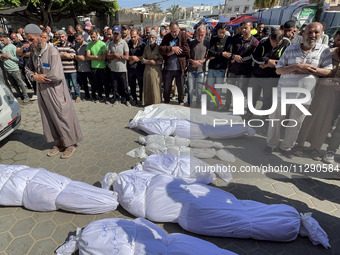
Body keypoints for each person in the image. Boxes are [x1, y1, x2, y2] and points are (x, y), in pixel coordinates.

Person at [264, 22, 332, 157]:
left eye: (316, 33)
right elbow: (279, 70)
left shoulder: (324, 50)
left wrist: (312, 70)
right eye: (310, 32)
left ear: (321, 34)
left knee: (296, 123)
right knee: (276, 119)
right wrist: (295, 67)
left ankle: (286, 147)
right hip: (284, 93)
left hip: (305, 95)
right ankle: (271, 144)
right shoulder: (290, 49)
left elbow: (328, 71)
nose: (313, 35)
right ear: (303, 33)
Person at [24, 24, 83, 158]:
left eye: (31, 39)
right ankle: (59, 142)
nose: (29, 43)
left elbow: (56, 74)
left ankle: (70, 144)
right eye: (27, 40)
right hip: (42, 91)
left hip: (56, 91)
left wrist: (40, 77)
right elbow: (27, 69)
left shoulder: (52, 52)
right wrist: (34, 76)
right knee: (49, 117)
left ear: (40, 37)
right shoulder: (34, 52)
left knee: (63, 116)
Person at [295, 31, 340, 160]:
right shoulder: (328, 54)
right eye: (337, 40)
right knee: (310, 118)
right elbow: (313, 71)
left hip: (336, 97)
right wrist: (322, 81)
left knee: (325, 124)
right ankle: (300, 145)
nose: (337, 43)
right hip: (321, 91)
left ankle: (315, 148)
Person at [250, 30, 290, 115]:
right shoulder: (264, 41)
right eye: (272, 42)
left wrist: (269, 64)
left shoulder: (287, 44)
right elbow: (255, 56)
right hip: (257, 74)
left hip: (272, 77)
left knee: (268, 98)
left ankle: (264, 116)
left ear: (281, 40)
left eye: (276, 43)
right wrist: (267, 61)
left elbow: (286, 61)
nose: (273, 44)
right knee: (252, 96)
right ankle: (249, 113)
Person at [226, 21, 259, 111]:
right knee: (230, 89)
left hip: (244, 71)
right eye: (242, 28)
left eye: (245, 28)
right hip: (233, 69)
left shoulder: (254, 42)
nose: (243, 30)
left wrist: (240, 59)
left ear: (251, 28)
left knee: (240, 91)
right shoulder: (236, 40)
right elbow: (230, 52)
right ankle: (226, 105)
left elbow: (253, 56)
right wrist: (233, 56)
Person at [159, 21, 190, 105]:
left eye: (175, 31)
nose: (173, 33)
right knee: (167, 87)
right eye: (172, 31)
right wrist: (171, 49)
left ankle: (181, 101)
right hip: (169, 67)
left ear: (178, 29)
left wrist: (175, 50)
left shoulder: (183, 36)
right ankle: (166, 101)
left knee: (180, 87)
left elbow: (187, 50)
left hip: (180, 67)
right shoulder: (167, 37)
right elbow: (161, 49)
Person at [0, 33, 30, 102]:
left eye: (3, 40)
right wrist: (2, 56)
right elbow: (2, 59)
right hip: (7, 69)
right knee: (14, 84)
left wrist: (9, 57)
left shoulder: (13, 47)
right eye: (1, 41)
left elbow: (17, 59)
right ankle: (20, 95)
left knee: (20, 83)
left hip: (14, 69)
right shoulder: (3, 48)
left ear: (6, 38)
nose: (2, 42)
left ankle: (26, 96)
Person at [206, 22, 230, 109]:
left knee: (219, 89)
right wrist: (221, 54)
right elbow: (210, 52)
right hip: (212, 67)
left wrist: (217, 55)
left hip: (221, 68)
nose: (221, 34)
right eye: (219, 32)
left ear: (225, 31)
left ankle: (218, 105)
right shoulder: (214, 38)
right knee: (209, 87)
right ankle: (207, 104)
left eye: (223, 32)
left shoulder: (228, 39)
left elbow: (228, 54)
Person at [107, 25, 130, 106]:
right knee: (115, 86)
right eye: (114, 33)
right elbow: (108, 56)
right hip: (113, 69)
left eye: (117, 33)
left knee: (124, 86)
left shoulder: (124, 43)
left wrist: (119, 56)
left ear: (120, 34)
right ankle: (116, 99)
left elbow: (127, 57)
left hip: (122, 69)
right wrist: (114, 55)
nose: (116, 35)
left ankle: (127, 99)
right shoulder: (110, 44)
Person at [55, 30, 81, 102]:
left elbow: (72, 56)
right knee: (66, 85)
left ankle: (78, 96)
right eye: (60, 37)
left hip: (72, 69)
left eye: (63, 37)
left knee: (75, 84)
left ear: (66, 37)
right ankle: (69, 96)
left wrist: (61, 55)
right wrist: (65, 54)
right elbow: (55, 56)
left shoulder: (71, 45)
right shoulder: (56, 46)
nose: (61, 38)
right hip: (63, 69)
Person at [187, 26, 208, 106]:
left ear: (205, 34)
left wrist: (202, 61)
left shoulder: (207, 43)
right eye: (198, 35)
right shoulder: (191, 43)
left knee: (199, 90)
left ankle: (198, 104)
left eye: (202, 35)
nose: (199, 37)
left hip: (201, 70)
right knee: (190, 89)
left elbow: (208, 56)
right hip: (191, 70)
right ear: (196, 34)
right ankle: (190, 103)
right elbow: (187, 56)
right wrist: (192, 61)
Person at [141, 30, 163, 106]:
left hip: (156, 70)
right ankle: (147, 103)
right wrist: (149, 61)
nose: (151, 39)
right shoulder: (146, 48)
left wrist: (155, 62)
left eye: (152, 37)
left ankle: (156, 103)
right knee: (147, 87)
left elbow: (161, 60)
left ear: (156, 38)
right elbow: (142, 59)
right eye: (149, 37)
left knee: (155, 87)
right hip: (147, 70)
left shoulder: (159, 48)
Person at [86, 29, 107, 103]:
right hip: (94, 67)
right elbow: (87, 56)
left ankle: (106, 97)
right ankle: (99, 96)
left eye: (94, 37)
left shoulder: (102, 44)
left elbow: (103, 57)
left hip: (102, 67)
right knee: (96, 83)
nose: (93, 39)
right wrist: (96, 57)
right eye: (91, 37)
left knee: (104, 83)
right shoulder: (89, 44)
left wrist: (93, 56)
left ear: (97, 35)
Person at [128, 29, 145, 105]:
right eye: (131, 37)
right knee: (132, 84)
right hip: (131, 68)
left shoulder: (143, 45)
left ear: (138, 35)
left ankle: (141, 98)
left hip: (140, 68)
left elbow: (144, 56)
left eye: (134, 37)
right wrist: (132, 57)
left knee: (141, 84)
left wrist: (136, 58)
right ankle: (134, 98)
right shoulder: (128, 44)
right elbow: (126, 55)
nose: (133, 39)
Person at [75, 32, 92, 101]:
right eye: (77, 40)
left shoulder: (87, 45)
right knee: (84, 83)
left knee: (92, 82)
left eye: (79, 39)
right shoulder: (76, 46)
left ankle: (93, 95)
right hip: (80, 68)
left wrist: (84, 57)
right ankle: (86, 95)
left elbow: (89, 56)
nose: (78, 41)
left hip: (88, 67)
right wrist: (77, 57)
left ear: (82, 38)